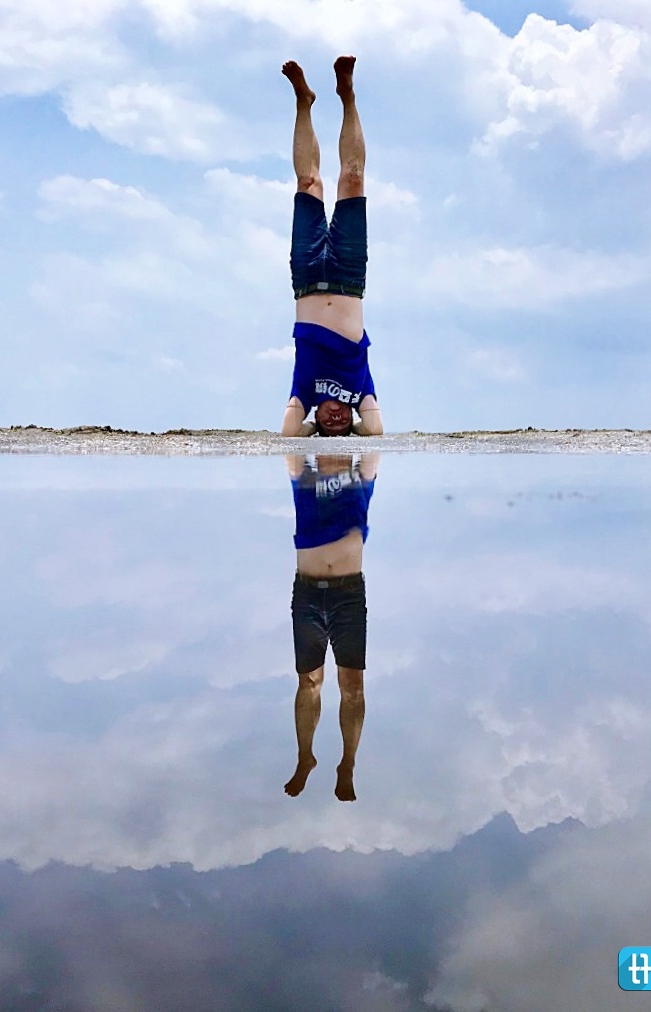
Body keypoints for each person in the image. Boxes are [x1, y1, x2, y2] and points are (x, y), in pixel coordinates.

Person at [280, 56, 383, 438]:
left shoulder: (303, 392)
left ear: (316, 420)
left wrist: (309, 428)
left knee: (309, 184)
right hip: (349, 276)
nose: (337, 419)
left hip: (306, 274)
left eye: (329, 423)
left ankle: (303, 101)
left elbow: (290, 432)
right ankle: (348, 96)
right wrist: (356, 421)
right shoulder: (361, 390)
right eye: (343, 423)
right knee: (352, 181)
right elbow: (374, 429)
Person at [283, 452, 378, 801]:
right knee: (309, 680)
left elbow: (374, 435)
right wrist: (310, 423)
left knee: (352, 684)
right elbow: (289, 441)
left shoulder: (360, 484)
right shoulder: (305, 482)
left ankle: (347, 763)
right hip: (307, 592)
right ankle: (305, 757)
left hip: (348, 595)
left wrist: (353, 419)